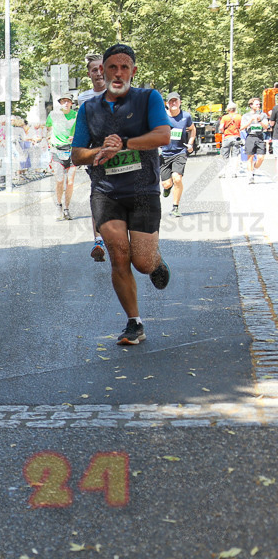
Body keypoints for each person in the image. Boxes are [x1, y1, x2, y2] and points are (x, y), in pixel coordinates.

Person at [70, 43, 171, 346]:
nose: (117, 73)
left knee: (141, 261)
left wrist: (123, 145)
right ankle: (134, 323)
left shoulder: (148, 98)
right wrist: (100, 151)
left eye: (124, 67)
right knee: (118, 255)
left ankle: (154, 261)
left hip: (143, 190)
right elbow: (76, 155)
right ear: (102, 70)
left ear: (133, 71)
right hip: (106, 191)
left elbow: (162, 135)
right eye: (111, 67)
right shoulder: (89, 108)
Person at [77, 54, 108, 261]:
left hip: (121, 152)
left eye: (101, 68)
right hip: (97, 155)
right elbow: (82, 128)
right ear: (89, 74)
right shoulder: (83, 98)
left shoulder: (120, 93)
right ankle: (98, 240)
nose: (98, 73)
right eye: (94, 70)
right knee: (97, 197)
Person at [160, 92, 195, 217]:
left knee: (177, 178)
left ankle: (175, 207)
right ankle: (167, 188)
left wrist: (190, 143)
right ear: (167, 104)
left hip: (180, 152)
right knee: (167, 183)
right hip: (164, 153)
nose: (173, 103)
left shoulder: (186, 116)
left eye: (175, 101)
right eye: (170, 101)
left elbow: (192, 129)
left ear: (180, 102)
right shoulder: (161, 116)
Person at [46, 93, 78, 220]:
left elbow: (81, 130)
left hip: (71, 150)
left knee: (70, 182)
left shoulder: (76, 115)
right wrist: (48, 140)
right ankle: (58, 205)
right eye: (63, 101)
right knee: (59, 180)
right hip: (57, 150)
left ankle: (66, 208)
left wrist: (75, 138)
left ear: (71, 103)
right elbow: (48, 128)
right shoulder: (53, 115)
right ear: (60, 103)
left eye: (68, 101)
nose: (65, 103)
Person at [242, 97, 268, 183]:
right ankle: (250, 176)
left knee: (261, 158)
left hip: (260, 137)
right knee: (250, 157)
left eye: (259, 104)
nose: (258, 105)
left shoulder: (263, 115)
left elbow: (266, 126)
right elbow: (242, 127)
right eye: (256, 104)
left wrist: (260, 120)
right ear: (251, 105)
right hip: (250, 137)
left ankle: (254, 169)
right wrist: (250, 120)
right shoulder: (246, 116)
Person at [217, 102, 242, 178]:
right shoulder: (239, 117)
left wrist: (224, 132)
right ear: (235, 109)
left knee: (224, 155)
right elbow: (242, 127)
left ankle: (223, 172)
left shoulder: (224, 117)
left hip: (227, 137)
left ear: (228, 109)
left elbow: (221, 127)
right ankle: (234, 172)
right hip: (236, 137)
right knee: (235, 155)